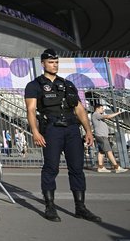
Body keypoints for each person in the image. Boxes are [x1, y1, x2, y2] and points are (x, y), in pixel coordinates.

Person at [25, 48, 101, 223]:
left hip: (72, 129)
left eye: (57, 62)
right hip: (52, 129)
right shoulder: (34, 85)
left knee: (77, 169)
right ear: (43, 63)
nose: (54, 65)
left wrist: (88, 131)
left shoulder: (67, 84)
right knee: (51, 168)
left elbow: (80, 109)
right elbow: (30, 110)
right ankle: (50, 206)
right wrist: (35, 132)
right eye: (51, 62)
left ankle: (80, 207)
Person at [91, 104, 127, 173]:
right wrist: (118, 113)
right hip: (102, 136)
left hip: (101, 135)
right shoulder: (96, 114)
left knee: (101, 151)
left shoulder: (96, 115)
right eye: (102, 108)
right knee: (109, 151)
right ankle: (116, 167)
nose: (103, 109)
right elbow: (107, 116)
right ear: (97, 108)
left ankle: (100, 167)